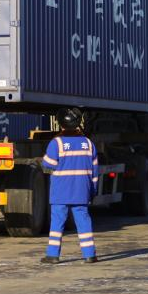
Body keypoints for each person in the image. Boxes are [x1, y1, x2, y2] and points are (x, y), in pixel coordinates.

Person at [39, 108, 100, 264]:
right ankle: (89, 255)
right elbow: (95, 171)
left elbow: (48, 164)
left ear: (61, 124)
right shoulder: (88, 144)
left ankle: (53, 255)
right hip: (81, 190)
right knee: (84, 221)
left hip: (61, 191)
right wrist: (93, 190)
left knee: (57, 223)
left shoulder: (57, 143)